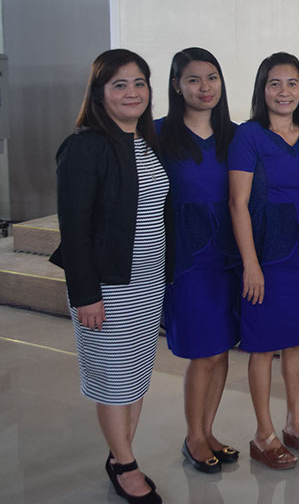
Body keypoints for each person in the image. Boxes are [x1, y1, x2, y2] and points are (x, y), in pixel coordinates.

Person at [52, 49, 171, 504]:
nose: (132, 92)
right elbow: (74, 229)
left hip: (148, 283)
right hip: (108, 287)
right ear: (99, 93)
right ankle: (125, 464)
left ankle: (121, 453)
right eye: (119, 84)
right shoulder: (84, 147)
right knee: (114, 381)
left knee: (135, 376)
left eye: (139, 83)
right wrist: (85, 295)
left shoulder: (146, 142)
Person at [228, 52, 299, 469]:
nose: (284, 92)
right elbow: (238, 204)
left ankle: (296, 422)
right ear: (262, 89)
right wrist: (251, 264)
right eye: (275, 83)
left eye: (292, 83)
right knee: (263, 346)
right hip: (265, 249)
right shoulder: (248, 135)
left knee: (297, 341)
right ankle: (263, 434)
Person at [156, 47, 239, 475]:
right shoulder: (158, 135)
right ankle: (194, 436)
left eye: (212, 78)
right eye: (193, 79)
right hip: (187, 259)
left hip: (230, 256)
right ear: (176, 86)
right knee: (202, 352)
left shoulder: (235, 135)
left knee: (221, 350)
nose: (204, 87)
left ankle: (208, 431)